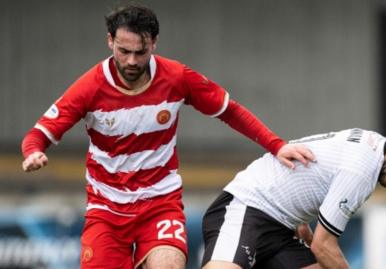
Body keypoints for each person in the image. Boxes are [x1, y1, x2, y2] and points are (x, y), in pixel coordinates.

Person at [20, 4, 315, 269]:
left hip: (160, 203)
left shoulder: (176, 77)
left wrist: (276, 146)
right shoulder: (89, 88)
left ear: (154, 44)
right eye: (124, 51)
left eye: (141, 51)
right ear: (110, 42)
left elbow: (230, 111)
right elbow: (39, 133)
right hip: (106, 209)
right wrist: (33, 151)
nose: (132, 60)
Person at [202, 128, 386, 269]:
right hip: (246, 208)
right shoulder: (363, 170)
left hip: (280, 227)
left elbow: (314, 166)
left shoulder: (372, 141)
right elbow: (323, 246)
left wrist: (299, 219)